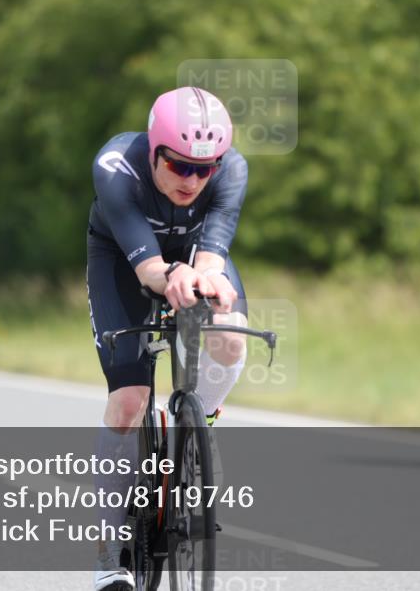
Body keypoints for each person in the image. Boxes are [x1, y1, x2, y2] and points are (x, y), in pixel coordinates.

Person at [86, 87, 249, 590]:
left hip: (192, 253)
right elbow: (152, 269)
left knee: (232, 336)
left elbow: (211, 254)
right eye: (180, 166)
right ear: (154, 150)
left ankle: (201, 429)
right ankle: (107, 554)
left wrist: (211, 282)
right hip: (124, 259)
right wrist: (172, 274)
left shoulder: (232, 169)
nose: (194, 180)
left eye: (205, 169)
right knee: (129, 404)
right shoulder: (117, 166)